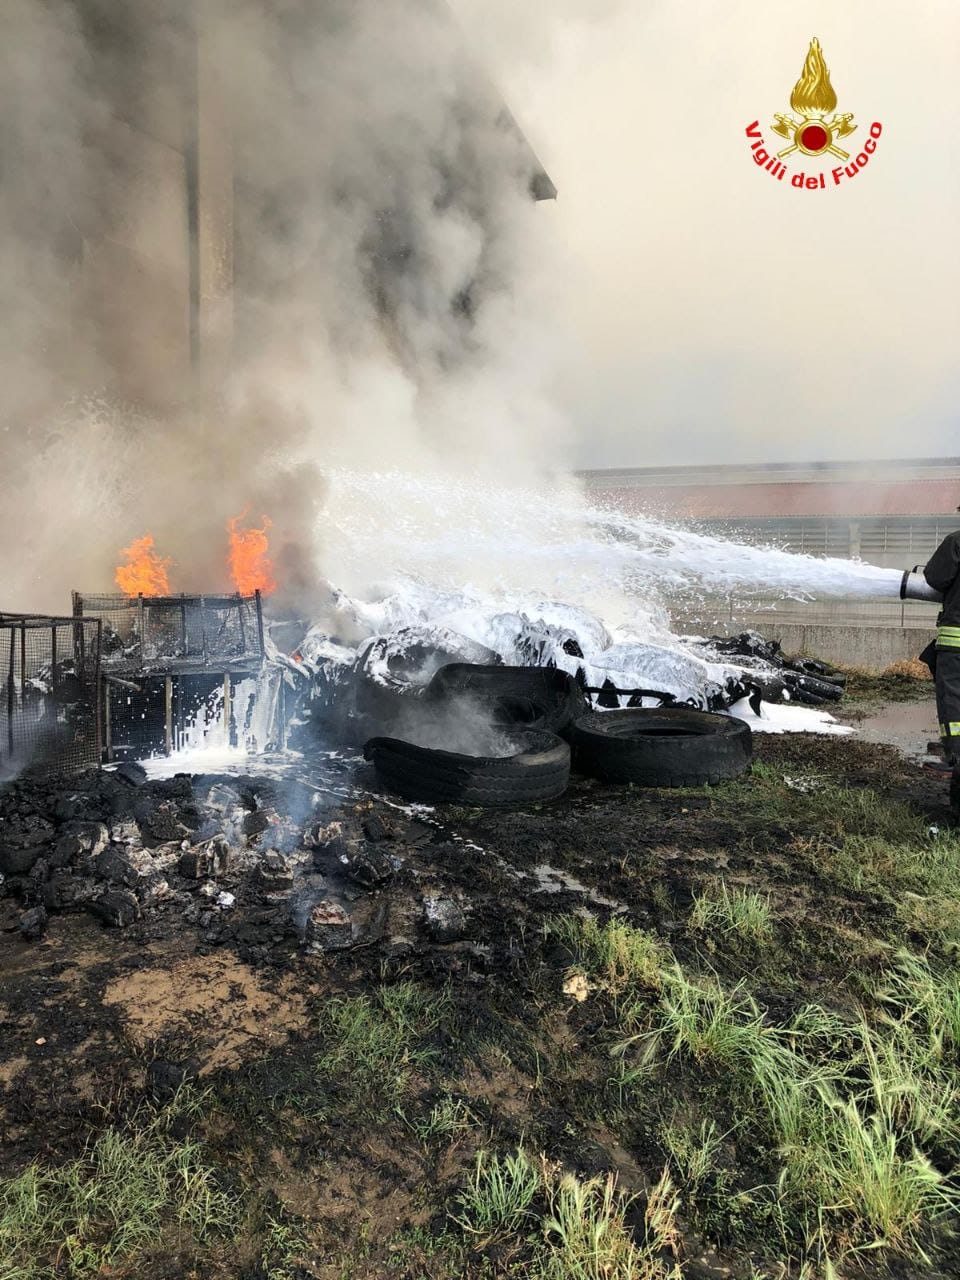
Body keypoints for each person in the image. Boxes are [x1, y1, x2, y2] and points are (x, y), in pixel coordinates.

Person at [923, 512, 960, 777]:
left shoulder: (956, 542)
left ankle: (956, 758)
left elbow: (935, 577)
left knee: (953, 699)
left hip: (956, 639)